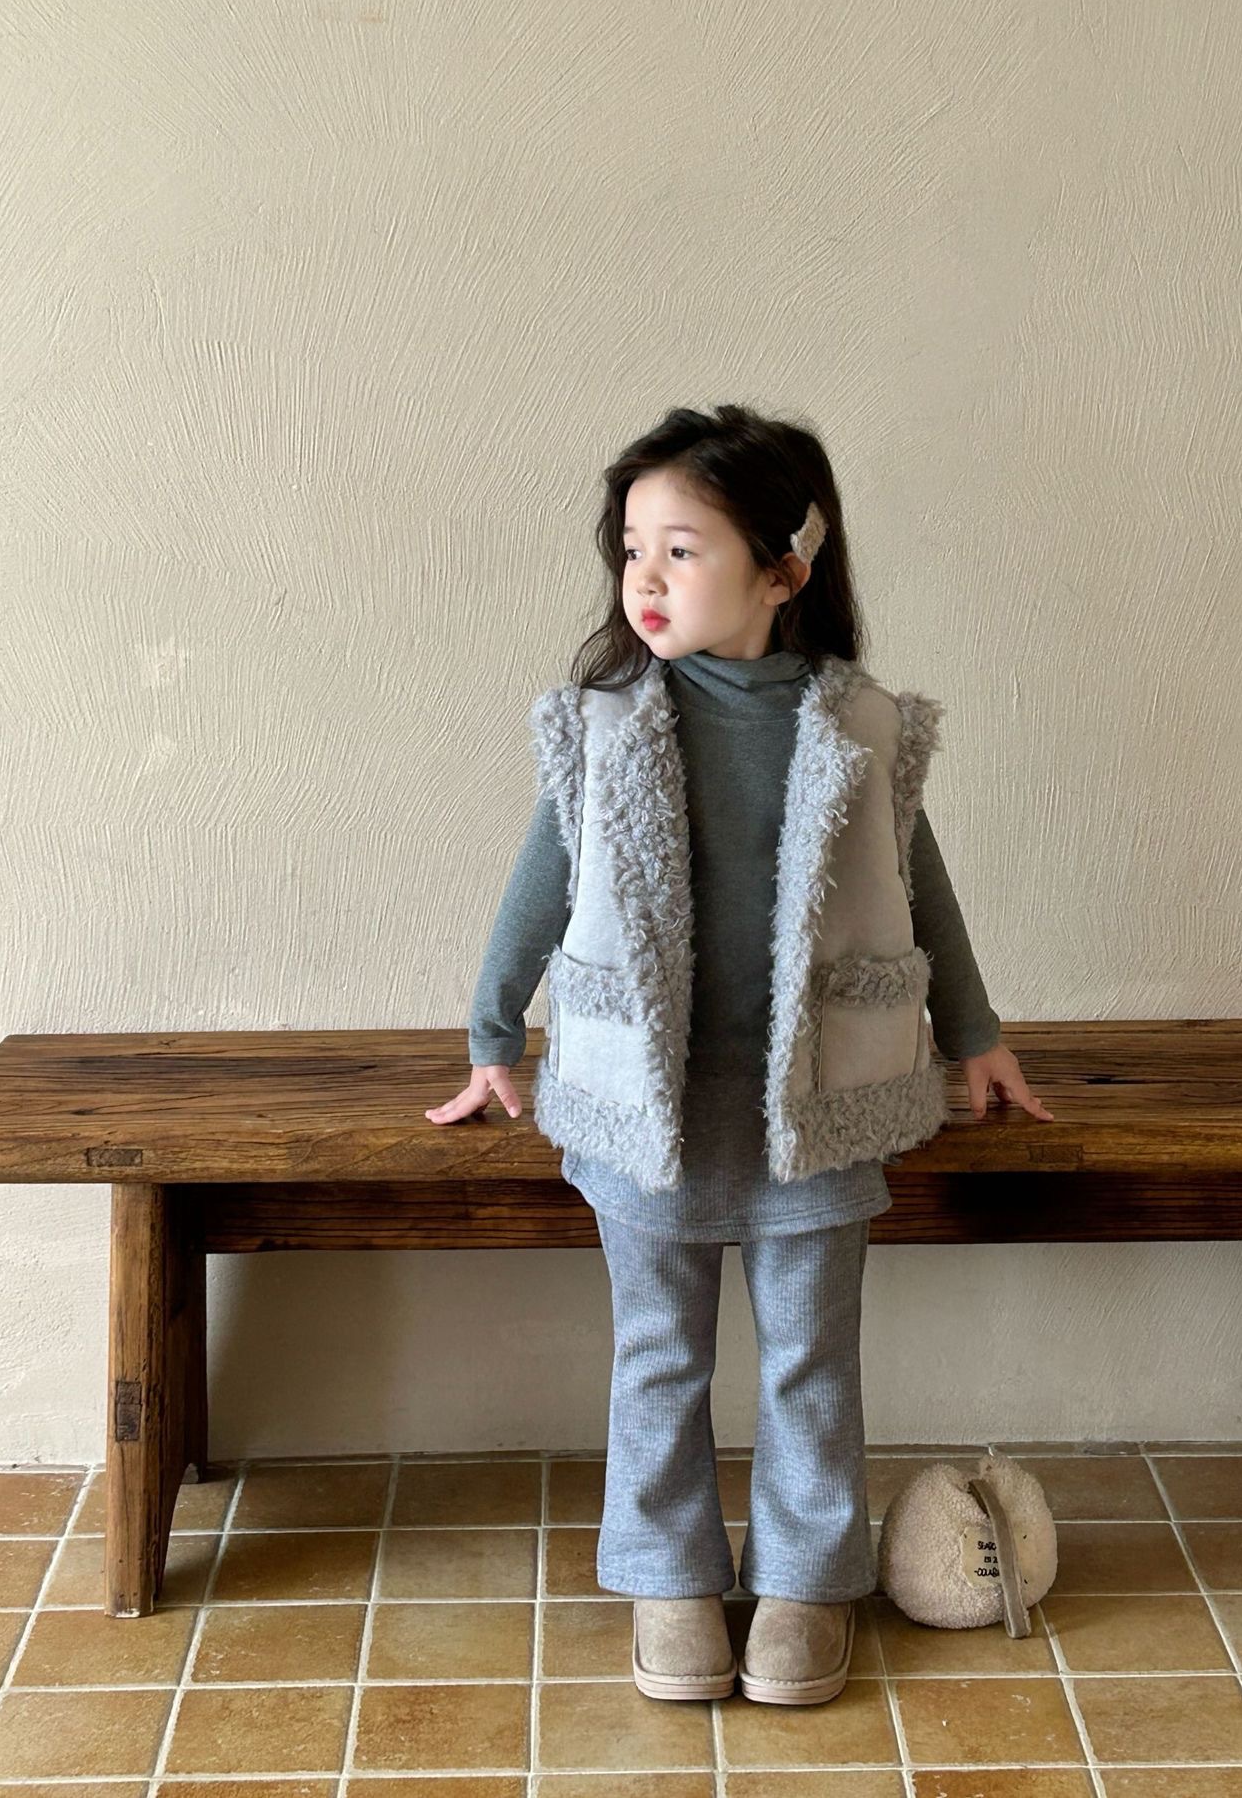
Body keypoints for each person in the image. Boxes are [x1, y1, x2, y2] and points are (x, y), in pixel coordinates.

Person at [428, 402, 1052, 1707]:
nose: (644, 579)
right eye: (631, 551)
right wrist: (493, 1038)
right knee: (660, 1355)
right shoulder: (602, 727)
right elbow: (537, 890)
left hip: (817, 1105)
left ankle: (806, 1584)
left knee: (809, 1362)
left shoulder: (863, 725)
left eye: (681, 550)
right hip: (639, 1105)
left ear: (785, 567)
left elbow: (922, 891)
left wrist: (977, 1037)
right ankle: (667, 1576)